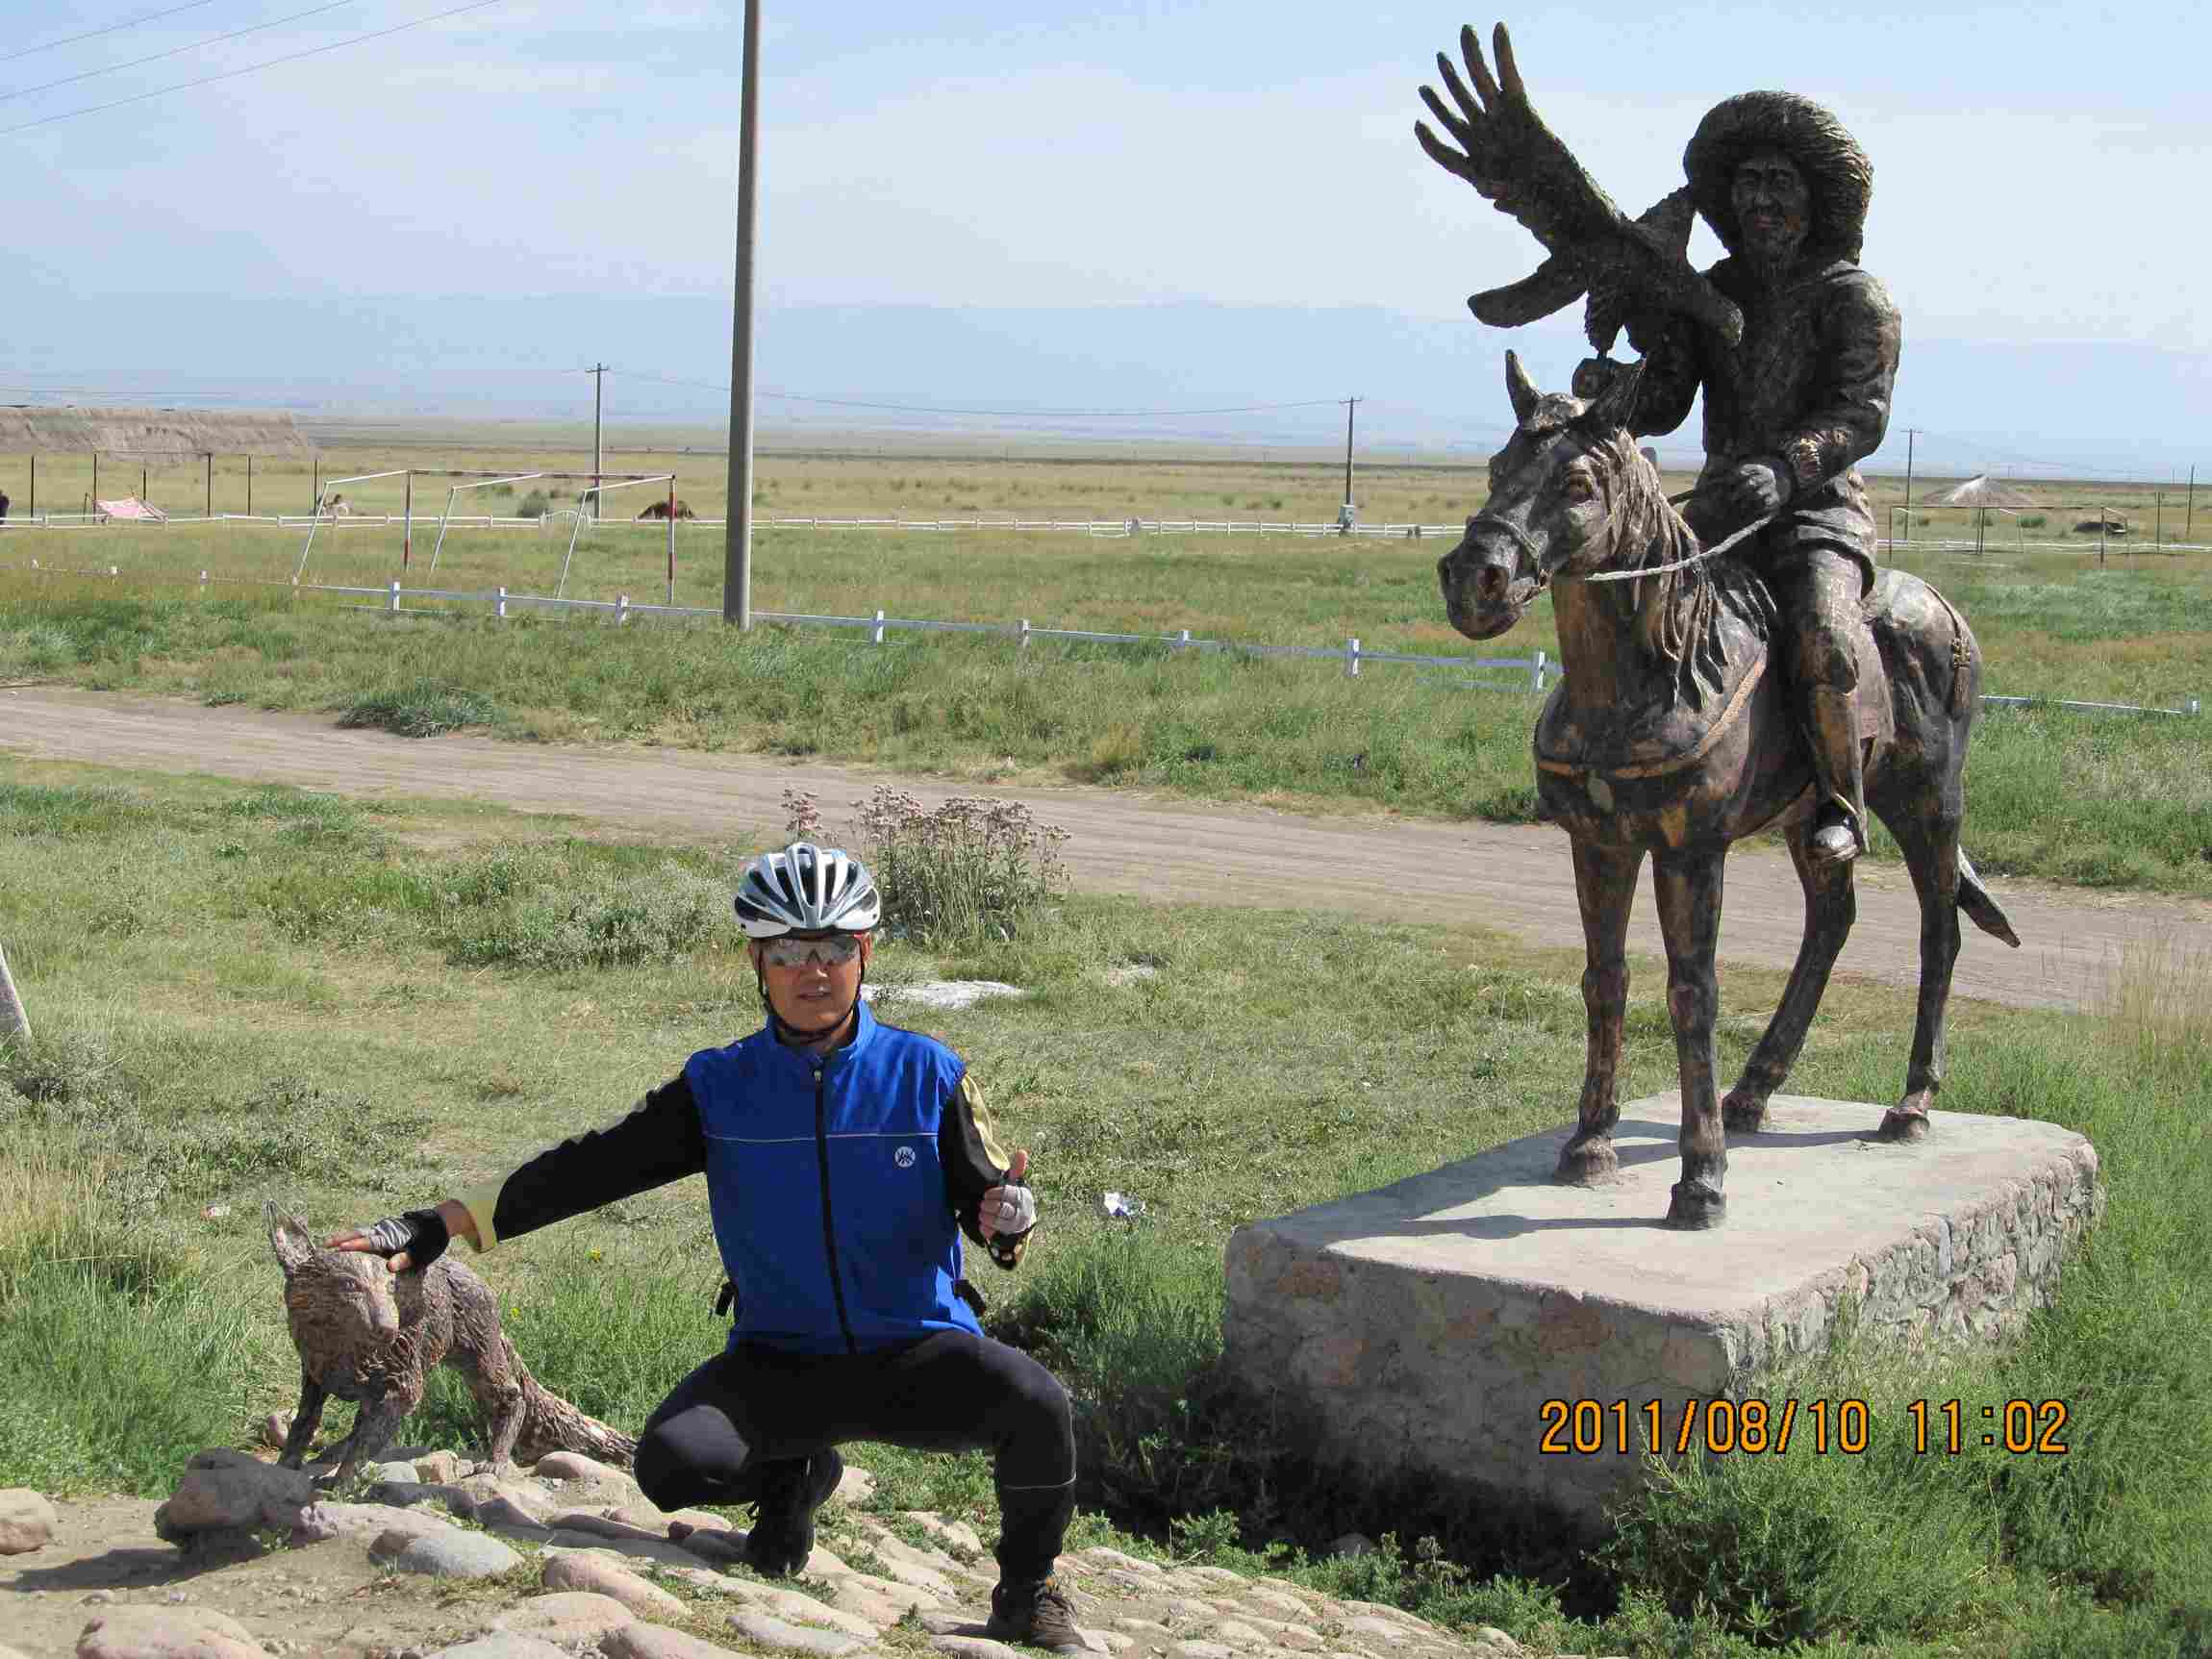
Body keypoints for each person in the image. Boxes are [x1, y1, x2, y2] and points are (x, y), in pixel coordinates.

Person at [331, 842, 1087, 1653]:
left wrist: (1007, 1222)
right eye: (789, 950)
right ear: (757, 961)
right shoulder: (719, 1086)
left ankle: (1029, 1591)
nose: (814, 969)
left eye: (833, 947)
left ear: (863, 953)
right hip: (781, 1359)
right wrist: (446, 1221)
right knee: (671, 1465)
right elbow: (591, 1166)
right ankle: (791, 1478)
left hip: (919, 1352)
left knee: (1038, 1402)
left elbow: (987, 1200)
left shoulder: (929, 1073)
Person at [1607, 92, 1901, 866]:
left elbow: (1860, 413)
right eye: (1746, 184)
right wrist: (1614, 386)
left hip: (1818, 515)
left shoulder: (1853, 297)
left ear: (1814, 196)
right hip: (1719, 511)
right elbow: (1666, 403)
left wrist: (1788, 467)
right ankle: (1618, 762)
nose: (1760, 200)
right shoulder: (1715, 292)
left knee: (1824, 630)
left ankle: (1843, 799)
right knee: (1626, 591)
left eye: (1779, 182)